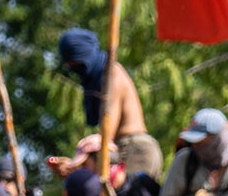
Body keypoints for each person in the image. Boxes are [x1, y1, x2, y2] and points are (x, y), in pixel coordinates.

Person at [57, 29, 162, 179]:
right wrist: (74, 167)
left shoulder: (112, 73)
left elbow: (106, 134)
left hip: (135, 149)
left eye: (78, 64)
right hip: (119, 149)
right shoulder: (95, 78)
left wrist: (76, 162)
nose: (76, 70)